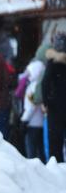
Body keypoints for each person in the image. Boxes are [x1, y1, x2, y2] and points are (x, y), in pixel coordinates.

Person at [42, 32, 66, 163]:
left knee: (55, 143)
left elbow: (45, 82)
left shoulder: (52, 62)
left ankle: (57, 170)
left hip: (55, 107)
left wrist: (46, 101)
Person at [20, 59, 45, 161]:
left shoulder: (33, 87)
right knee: (40, 150)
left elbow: (31, 106)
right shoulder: (39, 85)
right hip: (40, 123)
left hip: (32, 123)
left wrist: (24, 120)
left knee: (31, 152)